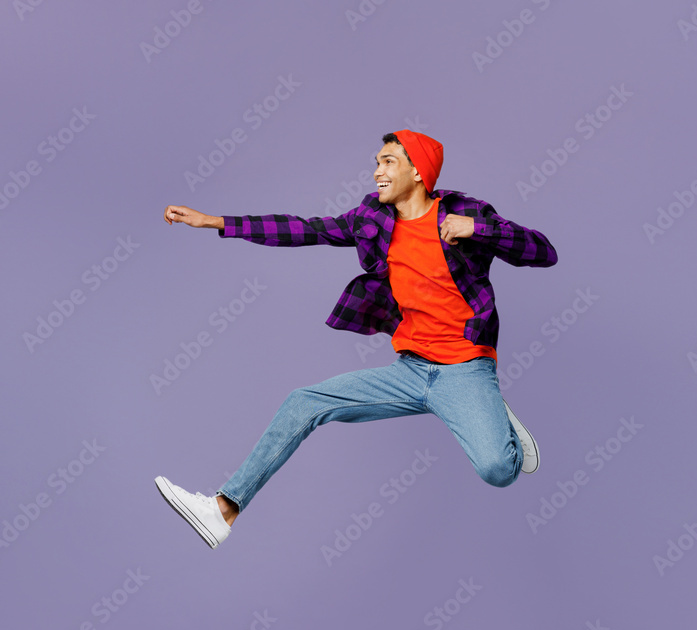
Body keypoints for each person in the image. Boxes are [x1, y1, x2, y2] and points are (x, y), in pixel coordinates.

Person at [155, 129, 558, 549]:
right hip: (410, 370)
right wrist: (216, 222)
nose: (376, 172)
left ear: (418, 172)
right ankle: (223, 510)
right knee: (303, 401)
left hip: (464, 369)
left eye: (388, 162)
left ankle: (489, 412)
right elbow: (305, 229)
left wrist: (479, 230)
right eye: (377, 163)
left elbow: (544, 252)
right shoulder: (373, 219)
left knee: (497, 469)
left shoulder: (464, 213)